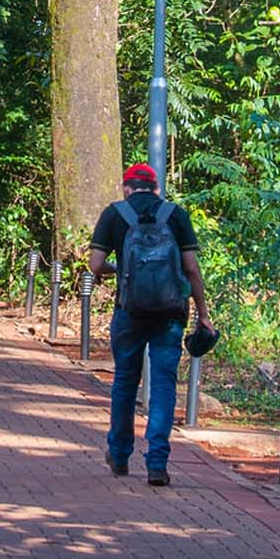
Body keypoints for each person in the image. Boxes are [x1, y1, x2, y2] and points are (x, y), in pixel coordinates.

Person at [87, 162, 207, 485]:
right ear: (155, 188)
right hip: (171, 313)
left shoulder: (115, 213)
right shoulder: (175, 214)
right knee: (164, 385)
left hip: (130, 311)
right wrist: (203, 314)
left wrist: (119, 269)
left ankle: (120, 454)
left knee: (125, 380)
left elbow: (95, 264)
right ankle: (157, 463)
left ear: (127, 188)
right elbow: (192, 270)